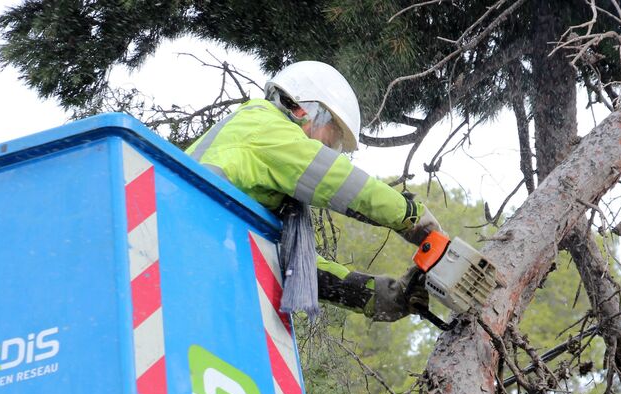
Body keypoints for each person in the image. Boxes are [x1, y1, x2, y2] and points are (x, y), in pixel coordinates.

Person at [187, 61, 441, 322]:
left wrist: (387, 297)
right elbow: (337, 180)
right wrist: (411, 217)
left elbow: (300, 269)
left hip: (201, 264)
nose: (326, 152)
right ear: (302, 110)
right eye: (329, 141)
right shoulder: (262, 124)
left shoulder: (264, 197)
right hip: (191, 243)